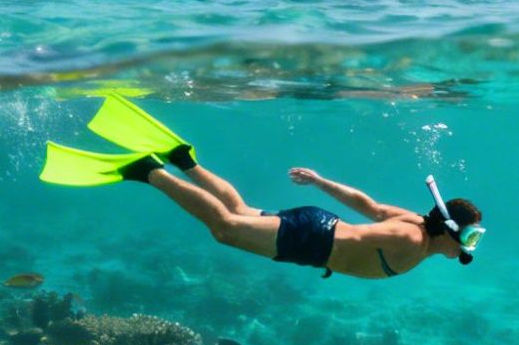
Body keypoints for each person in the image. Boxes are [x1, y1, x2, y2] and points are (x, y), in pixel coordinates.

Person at [40, 95, 485, 280]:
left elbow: (364, 205)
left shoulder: (413, 224)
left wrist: (320, 182)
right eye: (468, 236)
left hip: (314, 228)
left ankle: (184, 161)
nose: (468, 246)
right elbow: (359, 234)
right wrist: (330, 254)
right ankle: (149, 171)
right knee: (226, 227)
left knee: (239, 206)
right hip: (311, 240)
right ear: (448, 227)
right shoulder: (409, 237)